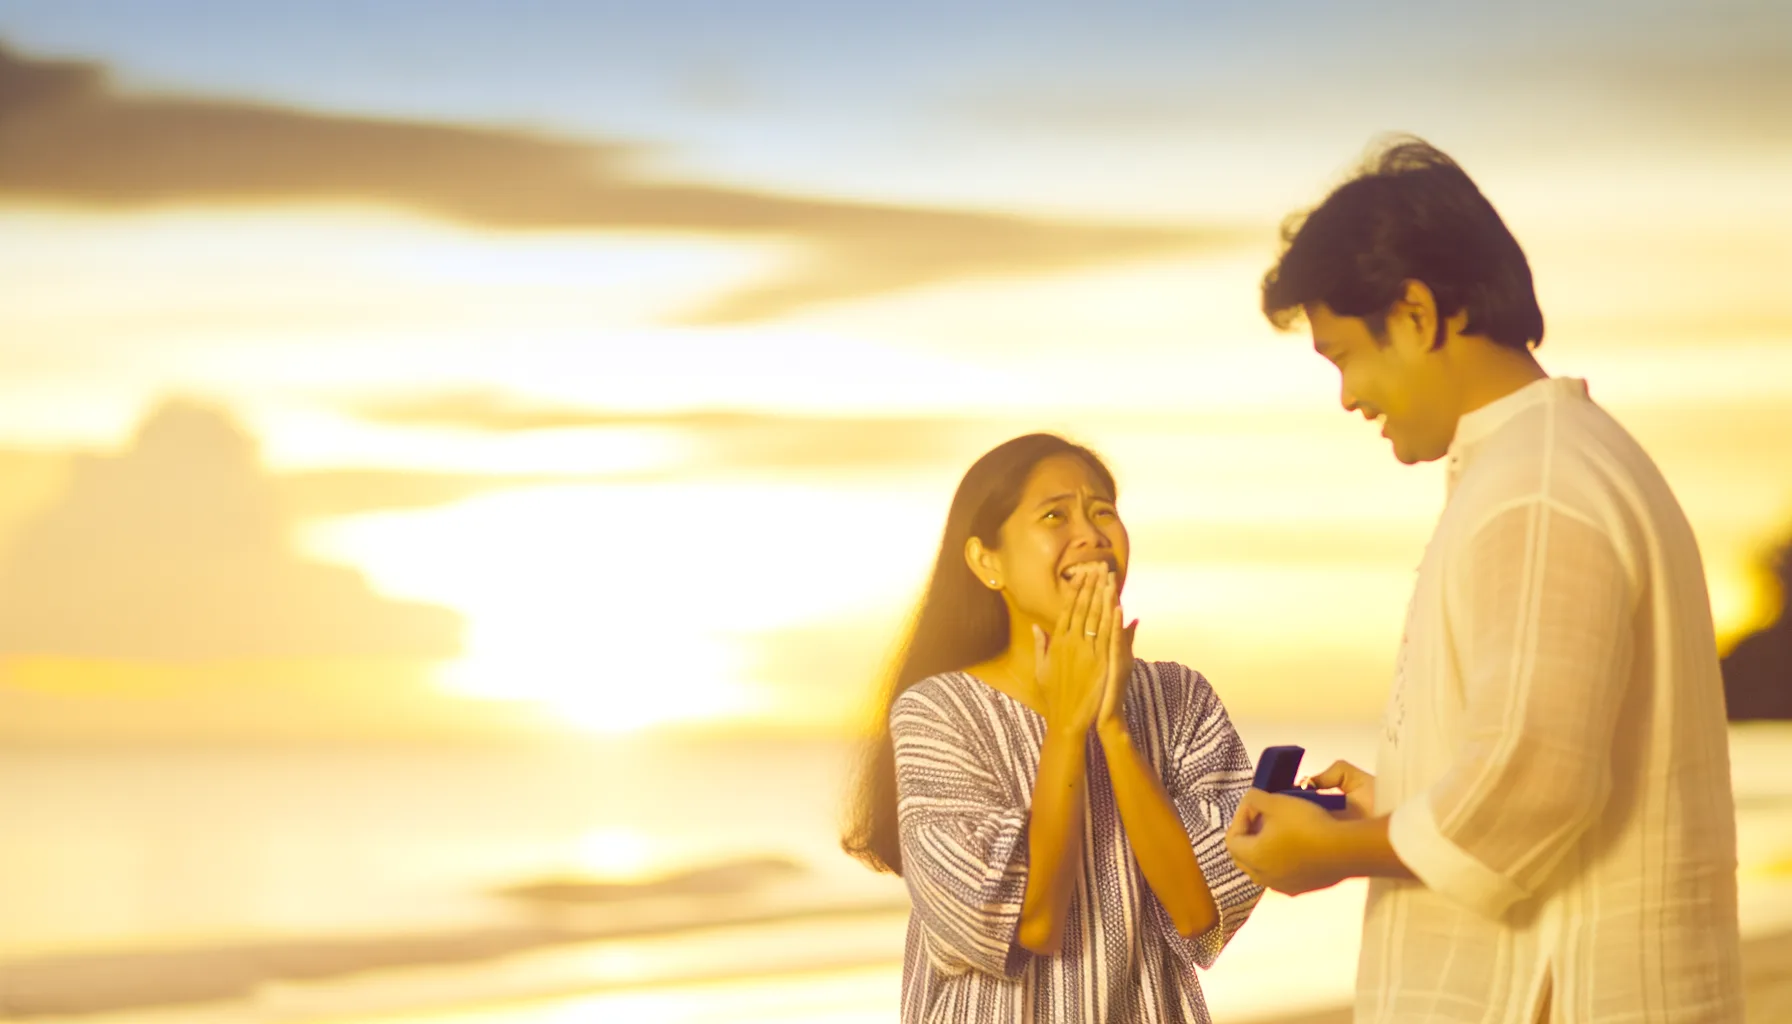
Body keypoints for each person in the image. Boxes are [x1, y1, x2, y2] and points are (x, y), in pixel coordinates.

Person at [1224, 137, 1743, 1022]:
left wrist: (1336, 853)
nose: (1349, 396)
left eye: (1346, 355)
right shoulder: (1559, 464)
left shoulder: (1535, 489)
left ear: (1419, 314)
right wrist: (1390, 808)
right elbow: (1558, 754)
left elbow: (1534, 782)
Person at [842, 432, 1262, 1023]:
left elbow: (1200, 916)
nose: (1090, 534)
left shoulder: (1180, 697)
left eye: (1103, 512)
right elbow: (1031, 922)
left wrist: (1112, 726)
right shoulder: (939, 713)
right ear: (988, 562)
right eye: (1054, 515)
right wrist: (1067, 726)